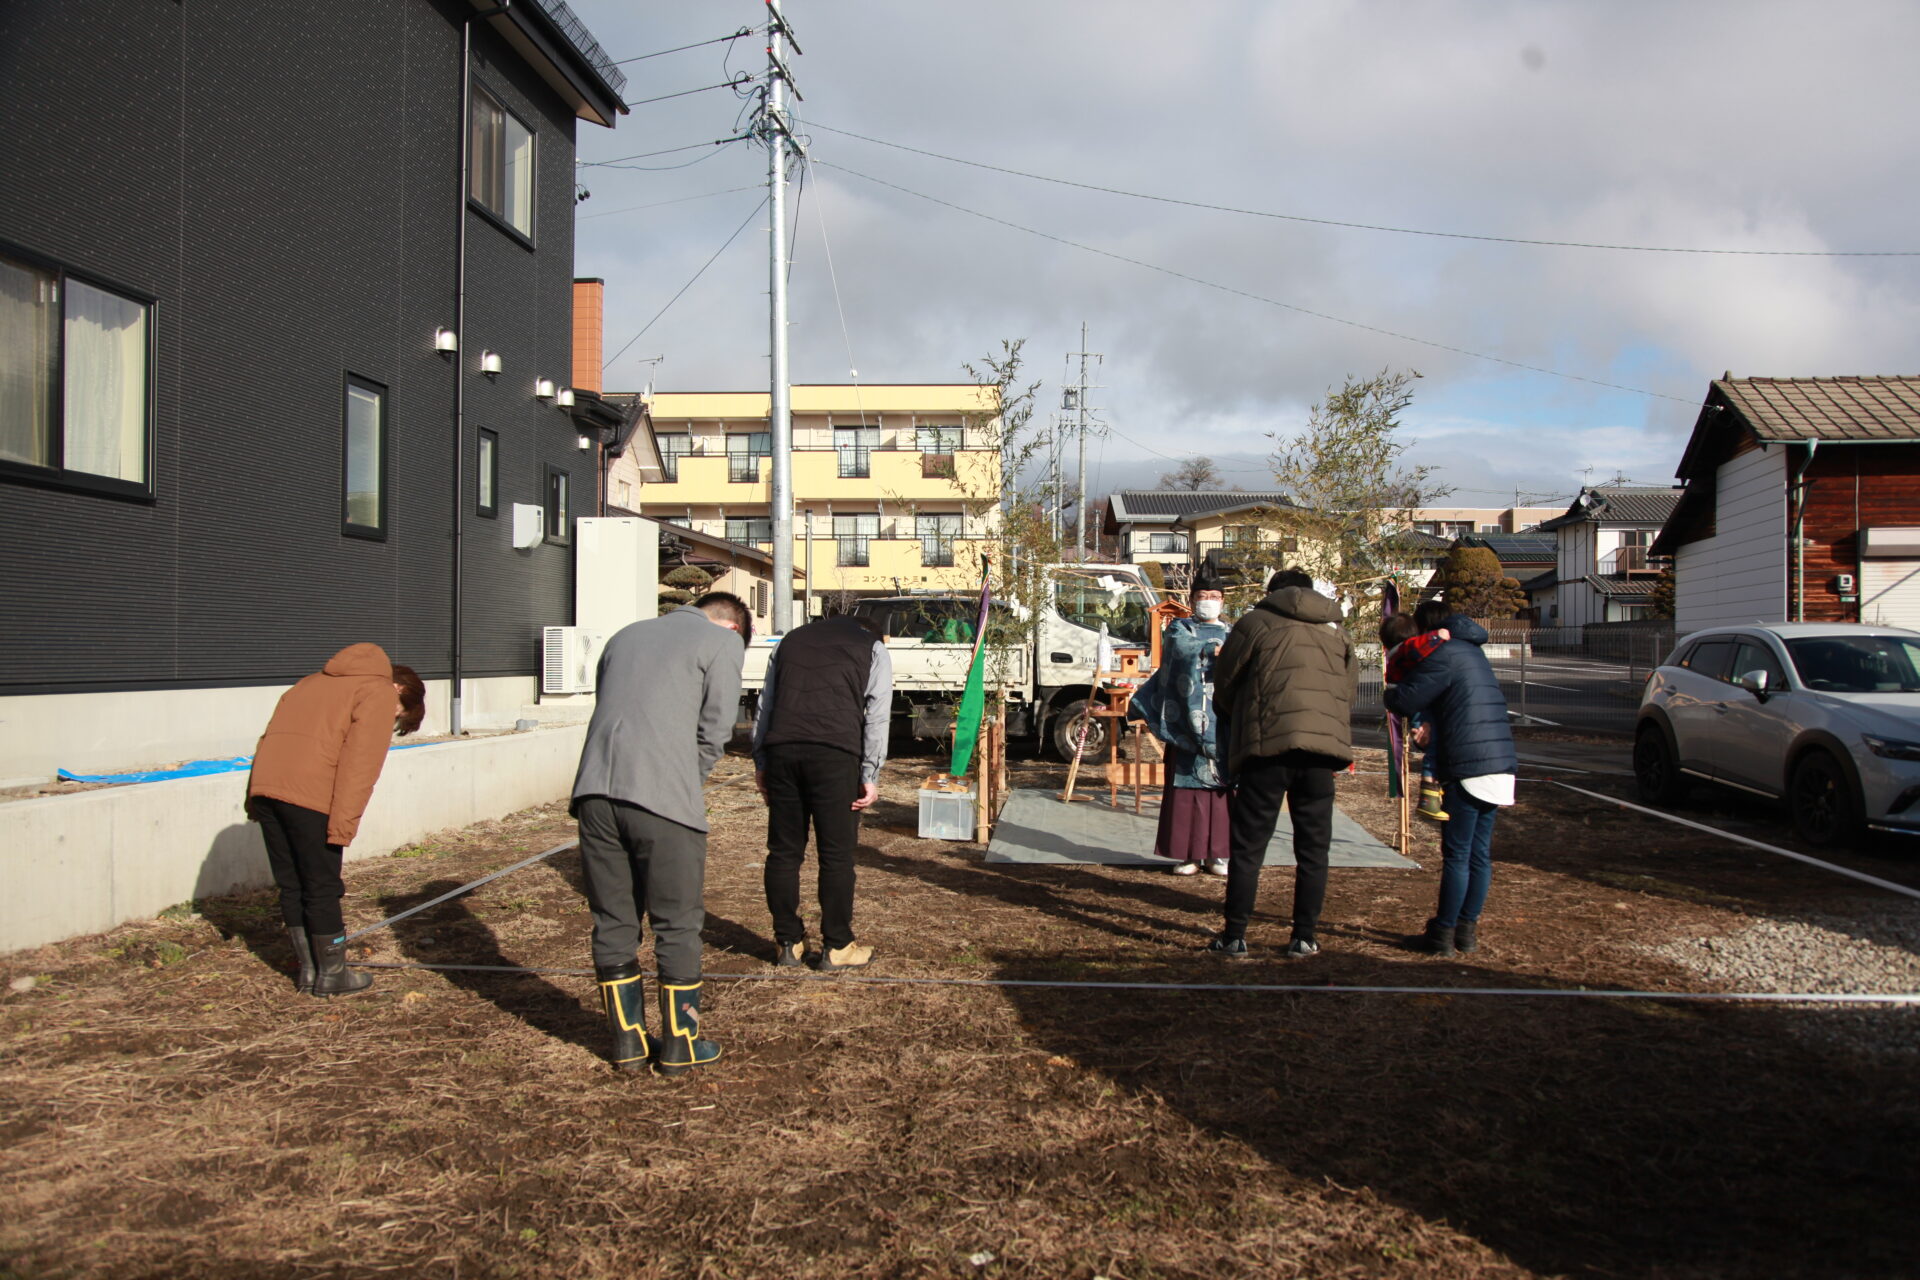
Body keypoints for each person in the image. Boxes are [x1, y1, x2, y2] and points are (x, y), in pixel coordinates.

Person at [571, 592, 749, 1075]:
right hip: (662, 799)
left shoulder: (624, 636)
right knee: (677, 921)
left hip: (593, 792)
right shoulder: (721, 644)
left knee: (613, 919)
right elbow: (715, 732)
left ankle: (627, 1043)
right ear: (733, 627)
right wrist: (680, 782)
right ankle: (680, 1043)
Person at [247, 645, 427, 997]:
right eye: (398, 715)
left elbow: (268, 740)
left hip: (266, 787)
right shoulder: (376, 690)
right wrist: (342, 826)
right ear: (400, 691)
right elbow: (360, 765)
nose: (392, 721)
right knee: (322, 886)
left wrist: (253, 797)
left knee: (292, 884)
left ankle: (309, 971)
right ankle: (332, 974)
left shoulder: (308, 683)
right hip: (311, 793)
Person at [1207, 569, 1356, 958]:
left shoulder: (1255, 622)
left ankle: (1235, 935)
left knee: (1249, 847)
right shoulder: (1335, 630)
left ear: (1272, 592)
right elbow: (1347, 690)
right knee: (1313, 849)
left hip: (1266, 748)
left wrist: (1237, 716)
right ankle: (1304, 937)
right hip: (1320, 754)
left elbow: (1225, 683)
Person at [752, 612, 893, 970]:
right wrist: (870, 772)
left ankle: (787, 943)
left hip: (783, 750)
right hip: (835, 754)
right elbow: (877, 713)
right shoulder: (872, 647)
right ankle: (838, 945)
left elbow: (765, 703)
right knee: (836, 856)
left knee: (783, 852)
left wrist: (762, 762)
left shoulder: (790, 642)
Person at [1384, 600, 1517, 957]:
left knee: (1457, 854)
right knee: (1479, 854)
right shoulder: (1473, 653)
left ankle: (1442, 933)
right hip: (1500, 761)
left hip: (1468, 763)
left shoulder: (1446, 653)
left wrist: (1390, 692)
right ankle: (1466, 932)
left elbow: (1407, 699)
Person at [1129, 577, 1232, 875]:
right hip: (1186, 720)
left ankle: (1218, 854)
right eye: (1203, 595)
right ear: (1191, 599)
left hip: (1222, 720)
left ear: (1223, 601)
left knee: (1223, 789)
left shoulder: (1234, 632)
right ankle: (1188, 855)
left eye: (1214, 595)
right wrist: (1212, 649)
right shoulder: (1180, 628)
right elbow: (1180, 649)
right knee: (1187, 791)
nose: (1209, 600)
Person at [1380, 612, 1450, 821]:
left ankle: (1432, 789)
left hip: (1410, 703)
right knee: (1433, 745)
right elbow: (1420, 645)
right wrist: (1438, 636)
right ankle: (1429, 792)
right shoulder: (1405, 650)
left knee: (1429, 741)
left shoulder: (1394, 654)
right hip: (1417, 704)